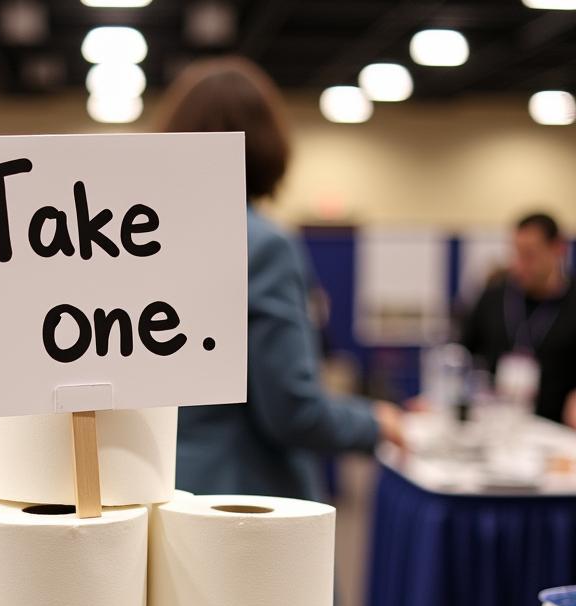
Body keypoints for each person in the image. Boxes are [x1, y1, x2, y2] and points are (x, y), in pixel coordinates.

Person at [157, 57, 403, 500]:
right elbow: (291, 409)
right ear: (267, 144)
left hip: (159, 489)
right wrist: (376, 422)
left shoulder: (141, 241)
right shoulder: (263, 245)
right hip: (242, 502)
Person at [461, 212, 576, 426]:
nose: (519, 264)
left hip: (557, 430)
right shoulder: (494, 298)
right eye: (516, 253)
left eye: (529, 255)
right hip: (496, 427)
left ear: (558, 249)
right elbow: (462, 353)